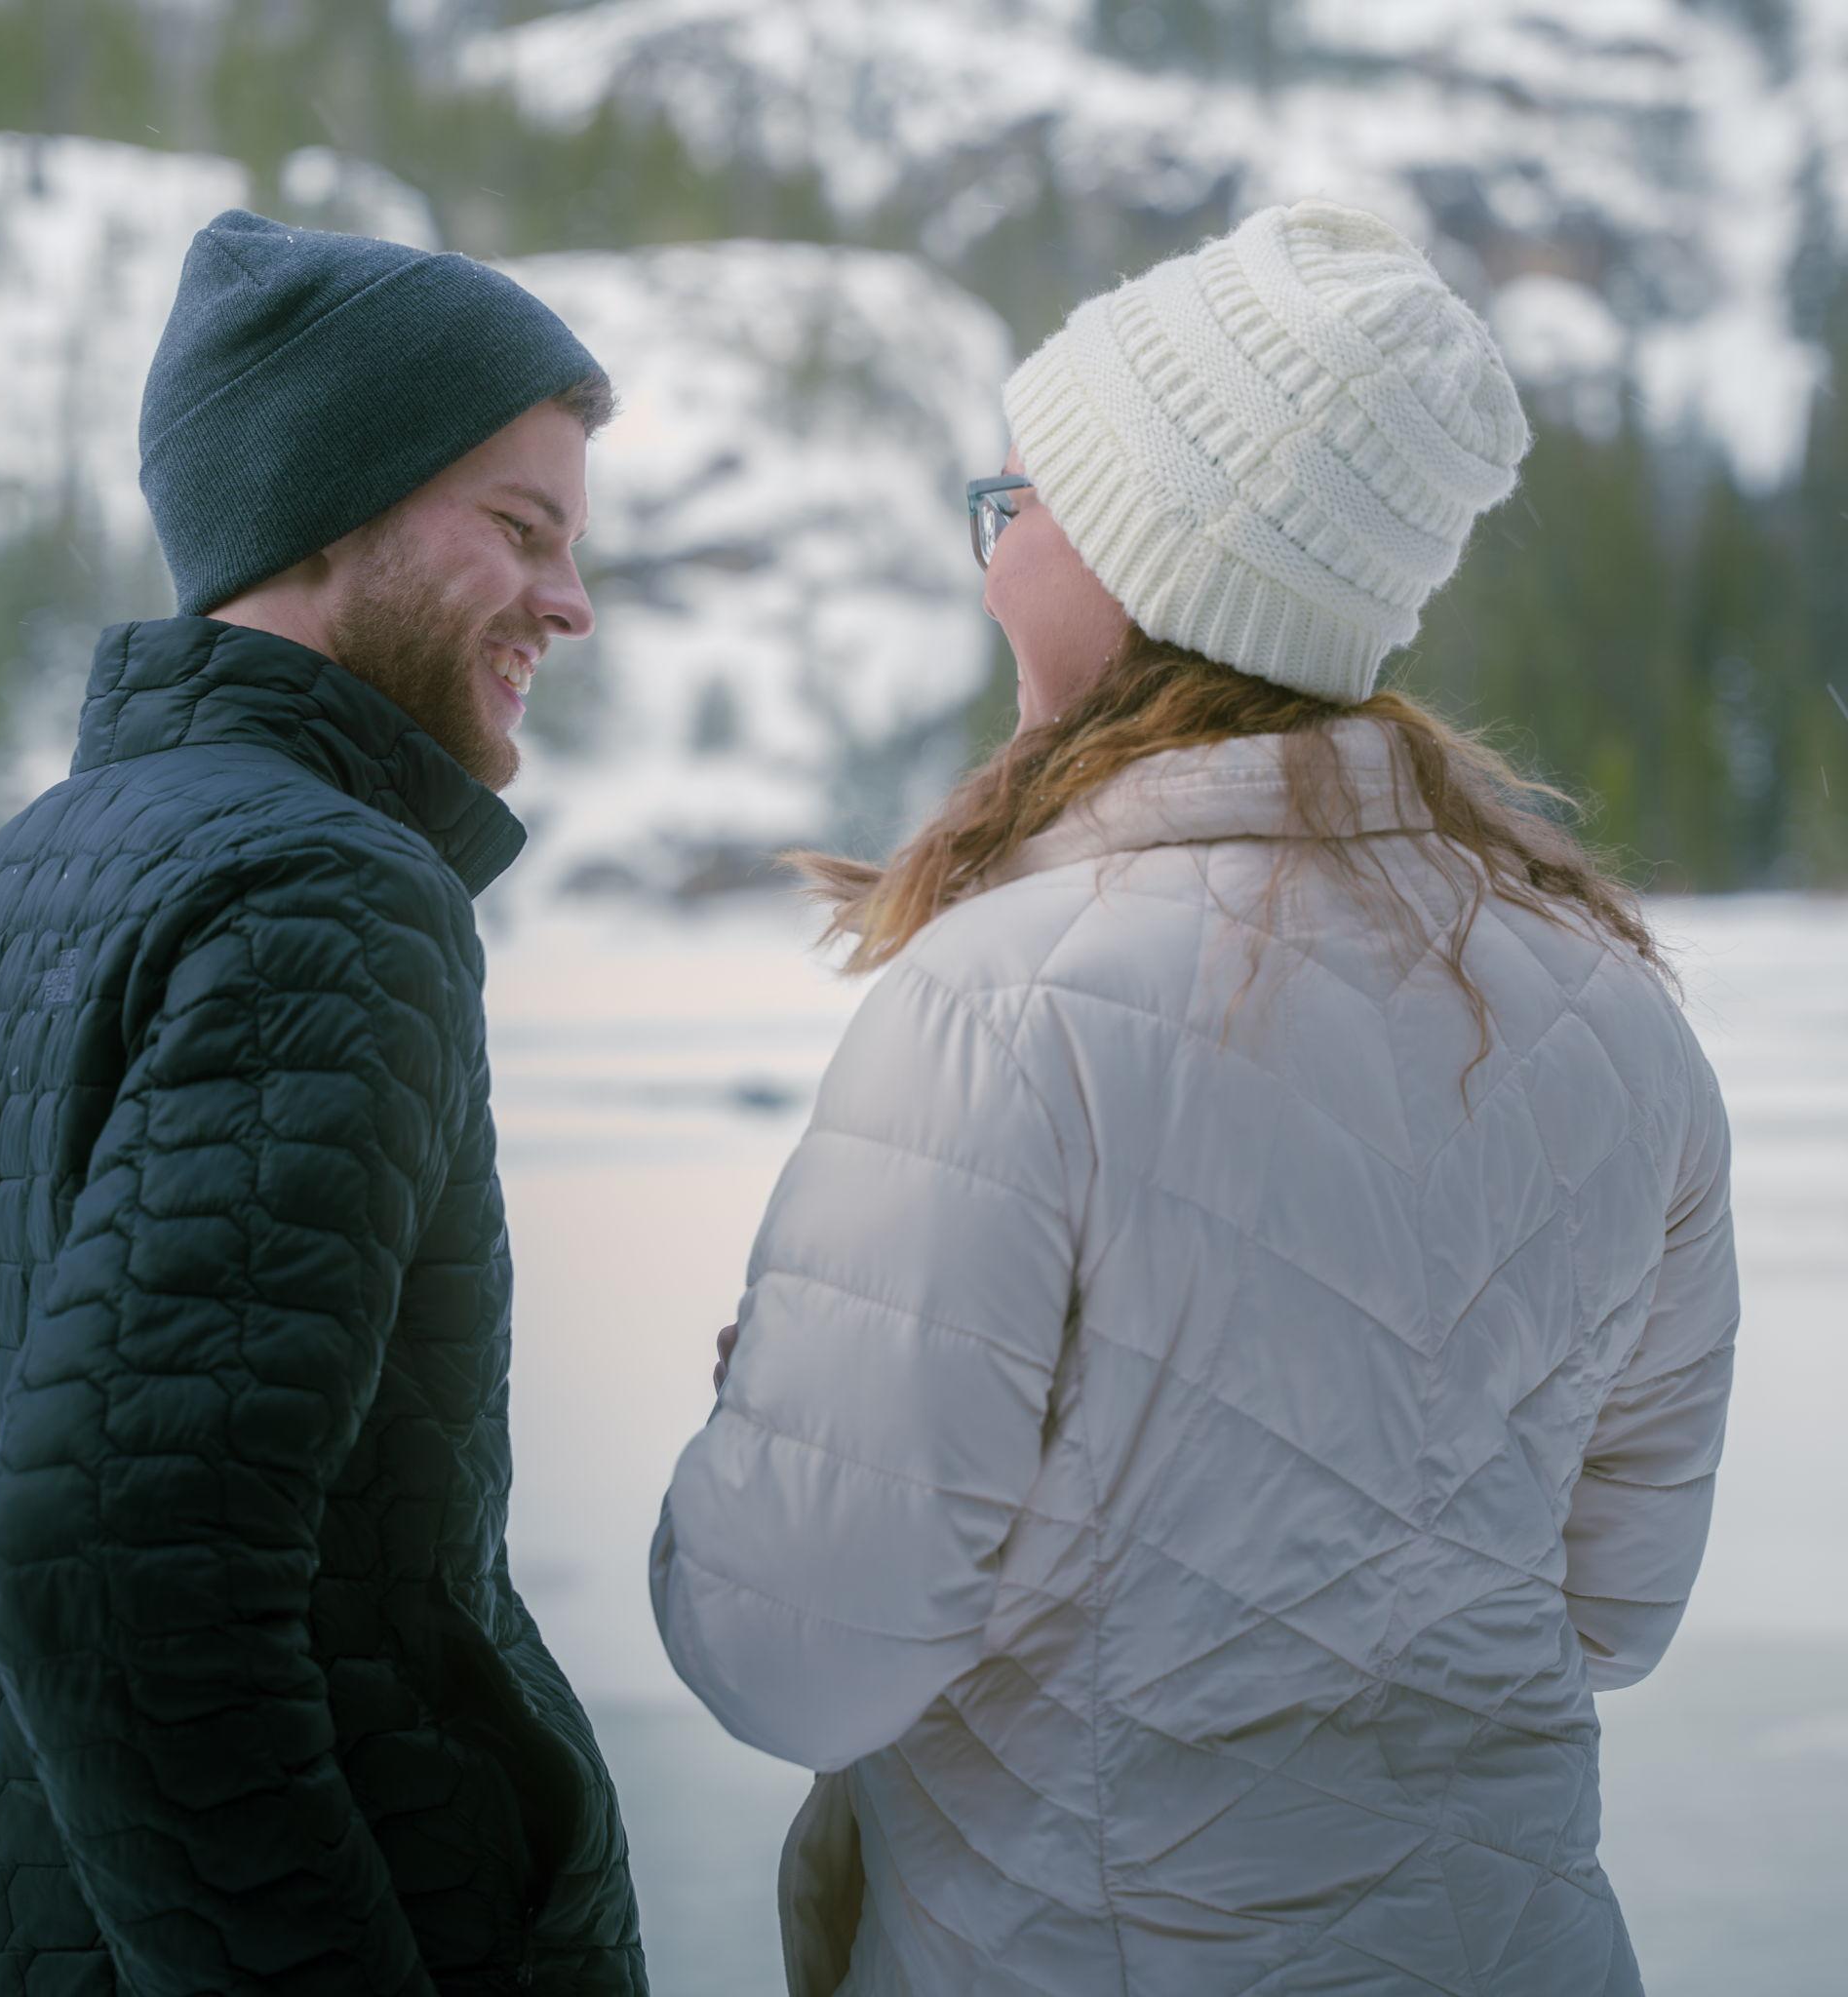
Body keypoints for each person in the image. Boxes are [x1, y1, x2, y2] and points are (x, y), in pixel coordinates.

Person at [650, 197, 1741, 1996]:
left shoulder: (1004, 1007)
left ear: (1147, 561)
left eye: (1014, 510)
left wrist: (768, 1433)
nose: (989, 565)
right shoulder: (1621, 1019)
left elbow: (792, 1651)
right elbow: (1610, 1611)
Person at [0, 209, 646, 1995]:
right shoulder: (324, 894)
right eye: (521, 529)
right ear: (322, 510)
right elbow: (116, 1572)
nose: (570, 601)